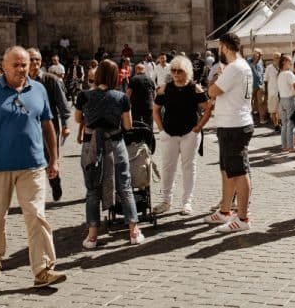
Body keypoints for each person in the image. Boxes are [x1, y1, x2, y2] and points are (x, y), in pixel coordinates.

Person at [0, 46, 66, 287]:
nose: (21, 69)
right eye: (15, 64)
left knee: (36, 216)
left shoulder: (39, 89)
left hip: (32, 164)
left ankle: (43, 269)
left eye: (24, 64)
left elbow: (47, 126)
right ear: (3, 66)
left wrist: (53, 159)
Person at [75, 59, 144, 247]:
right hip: (114, 143)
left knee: (92, 189)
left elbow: (77, 118)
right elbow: (128, 126)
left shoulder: (84, 95)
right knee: (124, 185)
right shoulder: (121, 97)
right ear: (115, 77)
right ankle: (134, 232)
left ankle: (92, 236)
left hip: (91, 145)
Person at [205, 32, 254, 232]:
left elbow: (213, 91)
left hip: (235, 124)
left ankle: (242, 218)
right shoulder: (241, 66)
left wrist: (215, 82)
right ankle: (225, 211)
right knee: (227, 170)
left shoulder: (234, 68)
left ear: (224, 47)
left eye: (219, 48)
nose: (219, 51)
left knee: (239, 171)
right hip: (230, 123)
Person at [152, 56, 211, 216]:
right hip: (169, 133)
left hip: (189, 134)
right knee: (167, 167)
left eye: (180, 71)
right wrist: (160, 129)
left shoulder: (195, 88)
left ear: (187, 72)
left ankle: (187, 202)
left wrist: (198, 128)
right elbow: (156, 109)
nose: (176, 74)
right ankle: (166, 201)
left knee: (188, 167)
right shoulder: (166, 88)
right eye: (173, 70)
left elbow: (207, 108)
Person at [27, 49, 71, 201]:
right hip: (28, 126)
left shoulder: (50, 79)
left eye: (37, 60)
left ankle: (55, 182)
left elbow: (63, 104)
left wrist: (65, 124)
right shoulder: (22, 80)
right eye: (32, 59)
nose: (35, 63)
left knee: (49, 157)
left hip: (49, 126)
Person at [277, 55, 295, 153]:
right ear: (284, 62)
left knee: (284, 124)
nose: (291, 63)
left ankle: (285, 146)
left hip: (282, 99)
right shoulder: (289, 74)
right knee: (291, 124)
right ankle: (291, 146)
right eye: (289, 61)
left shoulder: (280, 74)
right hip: (290, 99)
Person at [247, 49, 267, 125]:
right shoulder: (249, 61)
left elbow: (262, 72)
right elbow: (250, 67)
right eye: (256, 54)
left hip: (260, 84)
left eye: (259, 54)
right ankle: (250, 120)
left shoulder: (261, 62)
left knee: (260, 102)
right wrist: (255, 61)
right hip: (251, 85)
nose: (257, 55)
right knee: (250, 102)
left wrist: (262, 81)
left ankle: (262, 119)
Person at [264, 52, 281, 132]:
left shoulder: (283, 67)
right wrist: (266, 93)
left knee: (281, 110)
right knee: (273, 110)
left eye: (279, 57)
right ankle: (276, 125)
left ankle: (280, 123)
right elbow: (265, 80)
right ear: (273, 58)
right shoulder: (269, 68)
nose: (277, 59)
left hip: (282, 92)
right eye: (276, 57)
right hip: (272, 92)